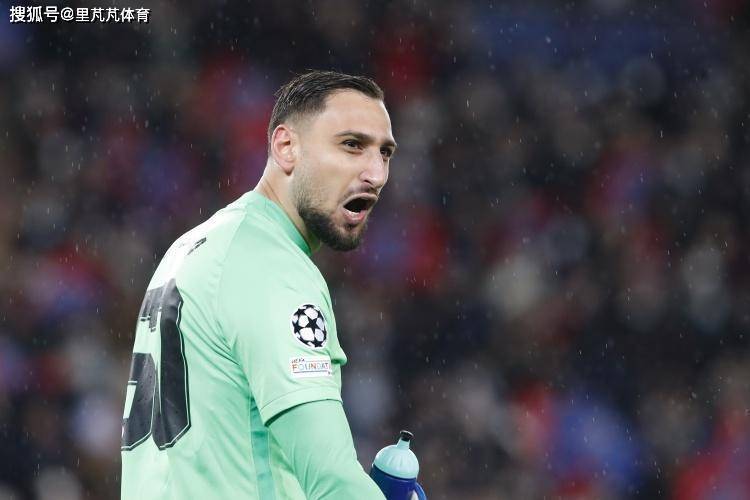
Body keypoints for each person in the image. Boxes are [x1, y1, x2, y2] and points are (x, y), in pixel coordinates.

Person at [120, 70, 396, 499]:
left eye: (385, 153)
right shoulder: (272, 266)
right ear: (286, 147)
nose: (376, 173)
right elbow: (331, 479)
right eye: (352, 145)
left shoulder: (193, 247)